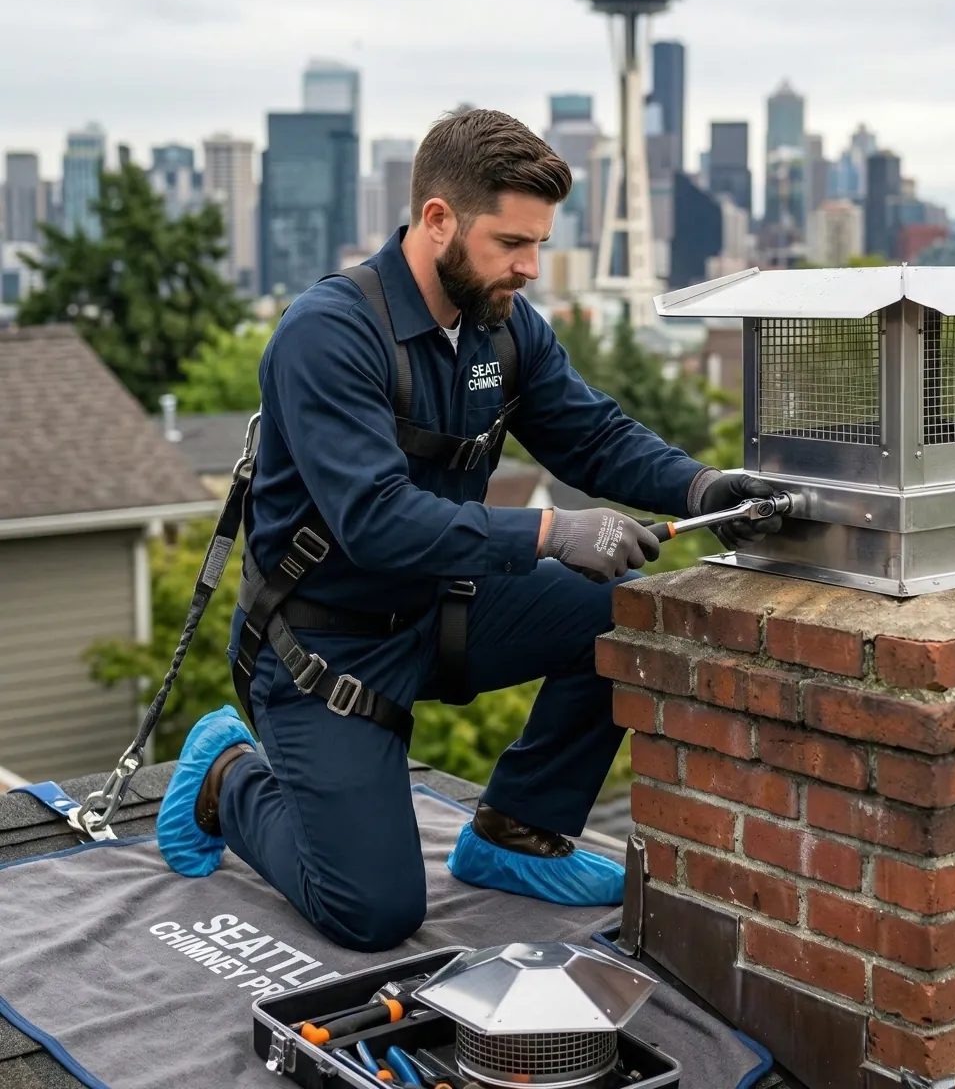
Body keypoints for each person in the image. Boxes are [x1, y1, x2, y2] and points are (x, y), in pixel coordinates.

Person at [156, 108, 780, 952]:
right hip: (325, 646)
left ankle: (518, 832)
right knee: (372, 914)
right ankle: (225, 779)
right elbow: (375, 520)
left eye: (539, 245)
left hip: (443, 609)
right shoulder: (329, 335)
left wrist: (703, 483)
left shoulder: (504, 324)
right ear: (438, 219)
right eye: (511, 243)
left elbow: (590, 433)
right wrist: (550, 532)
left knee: (626, 611)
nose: (529, 267)